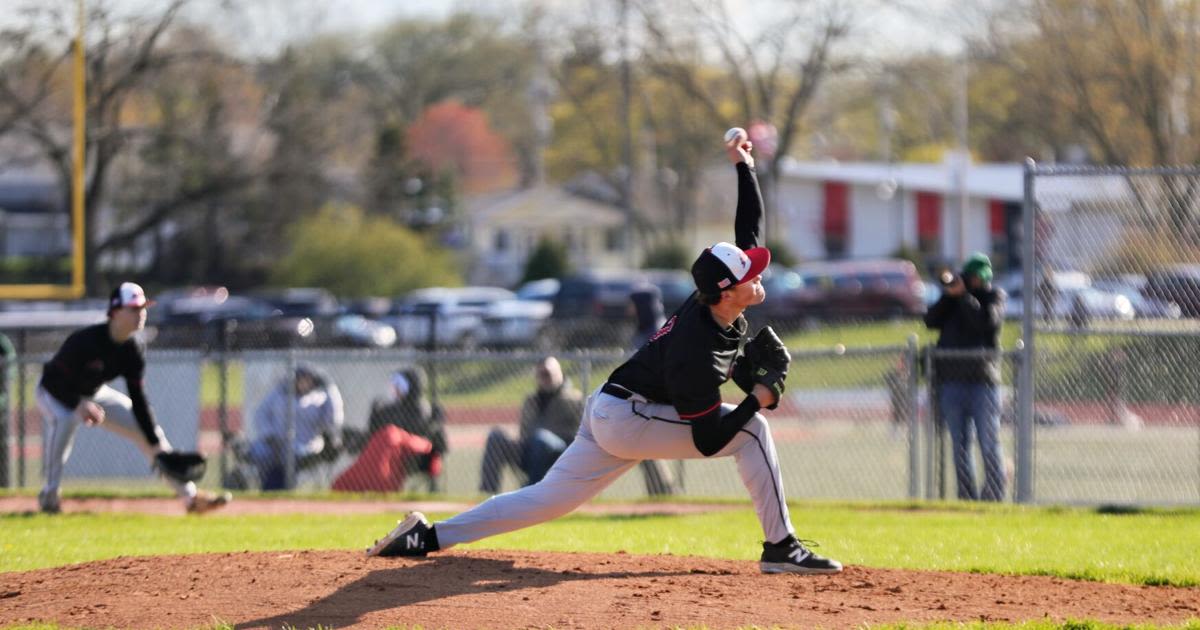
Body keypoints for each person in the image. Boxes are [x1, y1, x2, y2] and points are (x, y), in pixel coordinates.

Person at [366, 133, 843, 575]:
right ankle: (781, 547)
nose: (759, 275)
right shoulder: (693, 352)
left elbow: (750, 228)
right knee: (753, 430)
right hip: (629, 417)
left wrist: (745, 167)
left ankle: (426, 538)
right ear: (725, 292)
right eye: (749, 275)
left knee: (545, 499)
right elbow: (708, 441)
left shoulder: (715, 304)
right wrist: (756, 398)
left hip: (613, 406)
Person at [35, 282, 231, 514]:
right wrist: (78, 404)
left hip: (95, 393)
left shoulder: (132, 349)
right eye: (134, 309)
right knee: (65, 420)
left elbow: (138, 399)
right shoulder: (85, 341)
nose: (141, 314)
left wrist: (158, 446)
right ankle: (49, 497)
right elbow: (51, 379)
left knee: (147, 429)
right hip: (53, 393)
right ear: (116, 312)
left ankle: (191, 498)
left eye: (143, 308)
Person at [923, 253, 1007, 501]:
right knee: (959, 448)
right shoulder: (953, 300)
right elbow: (930, 320)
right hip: (952, 382)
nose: (970, 281)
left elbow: (985, 322)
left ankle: (993, 496)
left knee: (989, 444)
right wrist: (950, 297)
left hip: (983, 382)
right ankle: (966, 498)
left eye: (974, 278)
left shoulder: (994, 297)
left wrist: (965, 298)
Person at [333, 366, 446, 493]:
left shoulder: (423, 411)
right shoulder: (389, 410)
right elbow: (373, 434)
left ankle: (382, 485)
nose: (395, 389)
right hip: (389, 457)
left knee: (389, 435)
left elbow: (433, 444)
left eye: (399, 385)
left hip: (416, 459)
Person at [478, 356, 583, 494]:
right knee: (496, 436)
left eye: (548, 374)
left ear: (559, 374)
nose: (545, 378)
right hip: (530, 451)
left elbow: (580, 435)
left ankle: (531, 492)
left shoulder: (574, 399)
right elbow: (523, 434)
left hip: (560, 455)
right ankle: (488, 493)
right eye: (541, 374)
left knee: (541, 438)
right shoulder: (531, 400)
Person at [245, 363, 344, 490]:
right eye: (301, 379)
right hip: (275, 443)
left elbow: (334, 420)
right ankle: (267, 488)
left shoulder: (320, 398)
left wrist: (331, 389)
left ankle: (283, 488)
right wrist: (269, 436)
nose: (304, 383)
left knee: (289, 455)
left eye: (308, 379)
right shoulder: (279, 394)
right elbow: (260, 415)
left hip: (305, 446)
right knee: (259, 452)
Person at [629, 284, 681, 496]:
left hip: (660, 399)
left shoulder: (657, 331)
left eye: (634, 305)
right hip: (645, 398)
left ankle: (664, 492)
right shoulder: (644, 329)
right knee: (643, 451)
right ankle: (660, 492)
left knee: (646, 449)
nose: (630, 310)